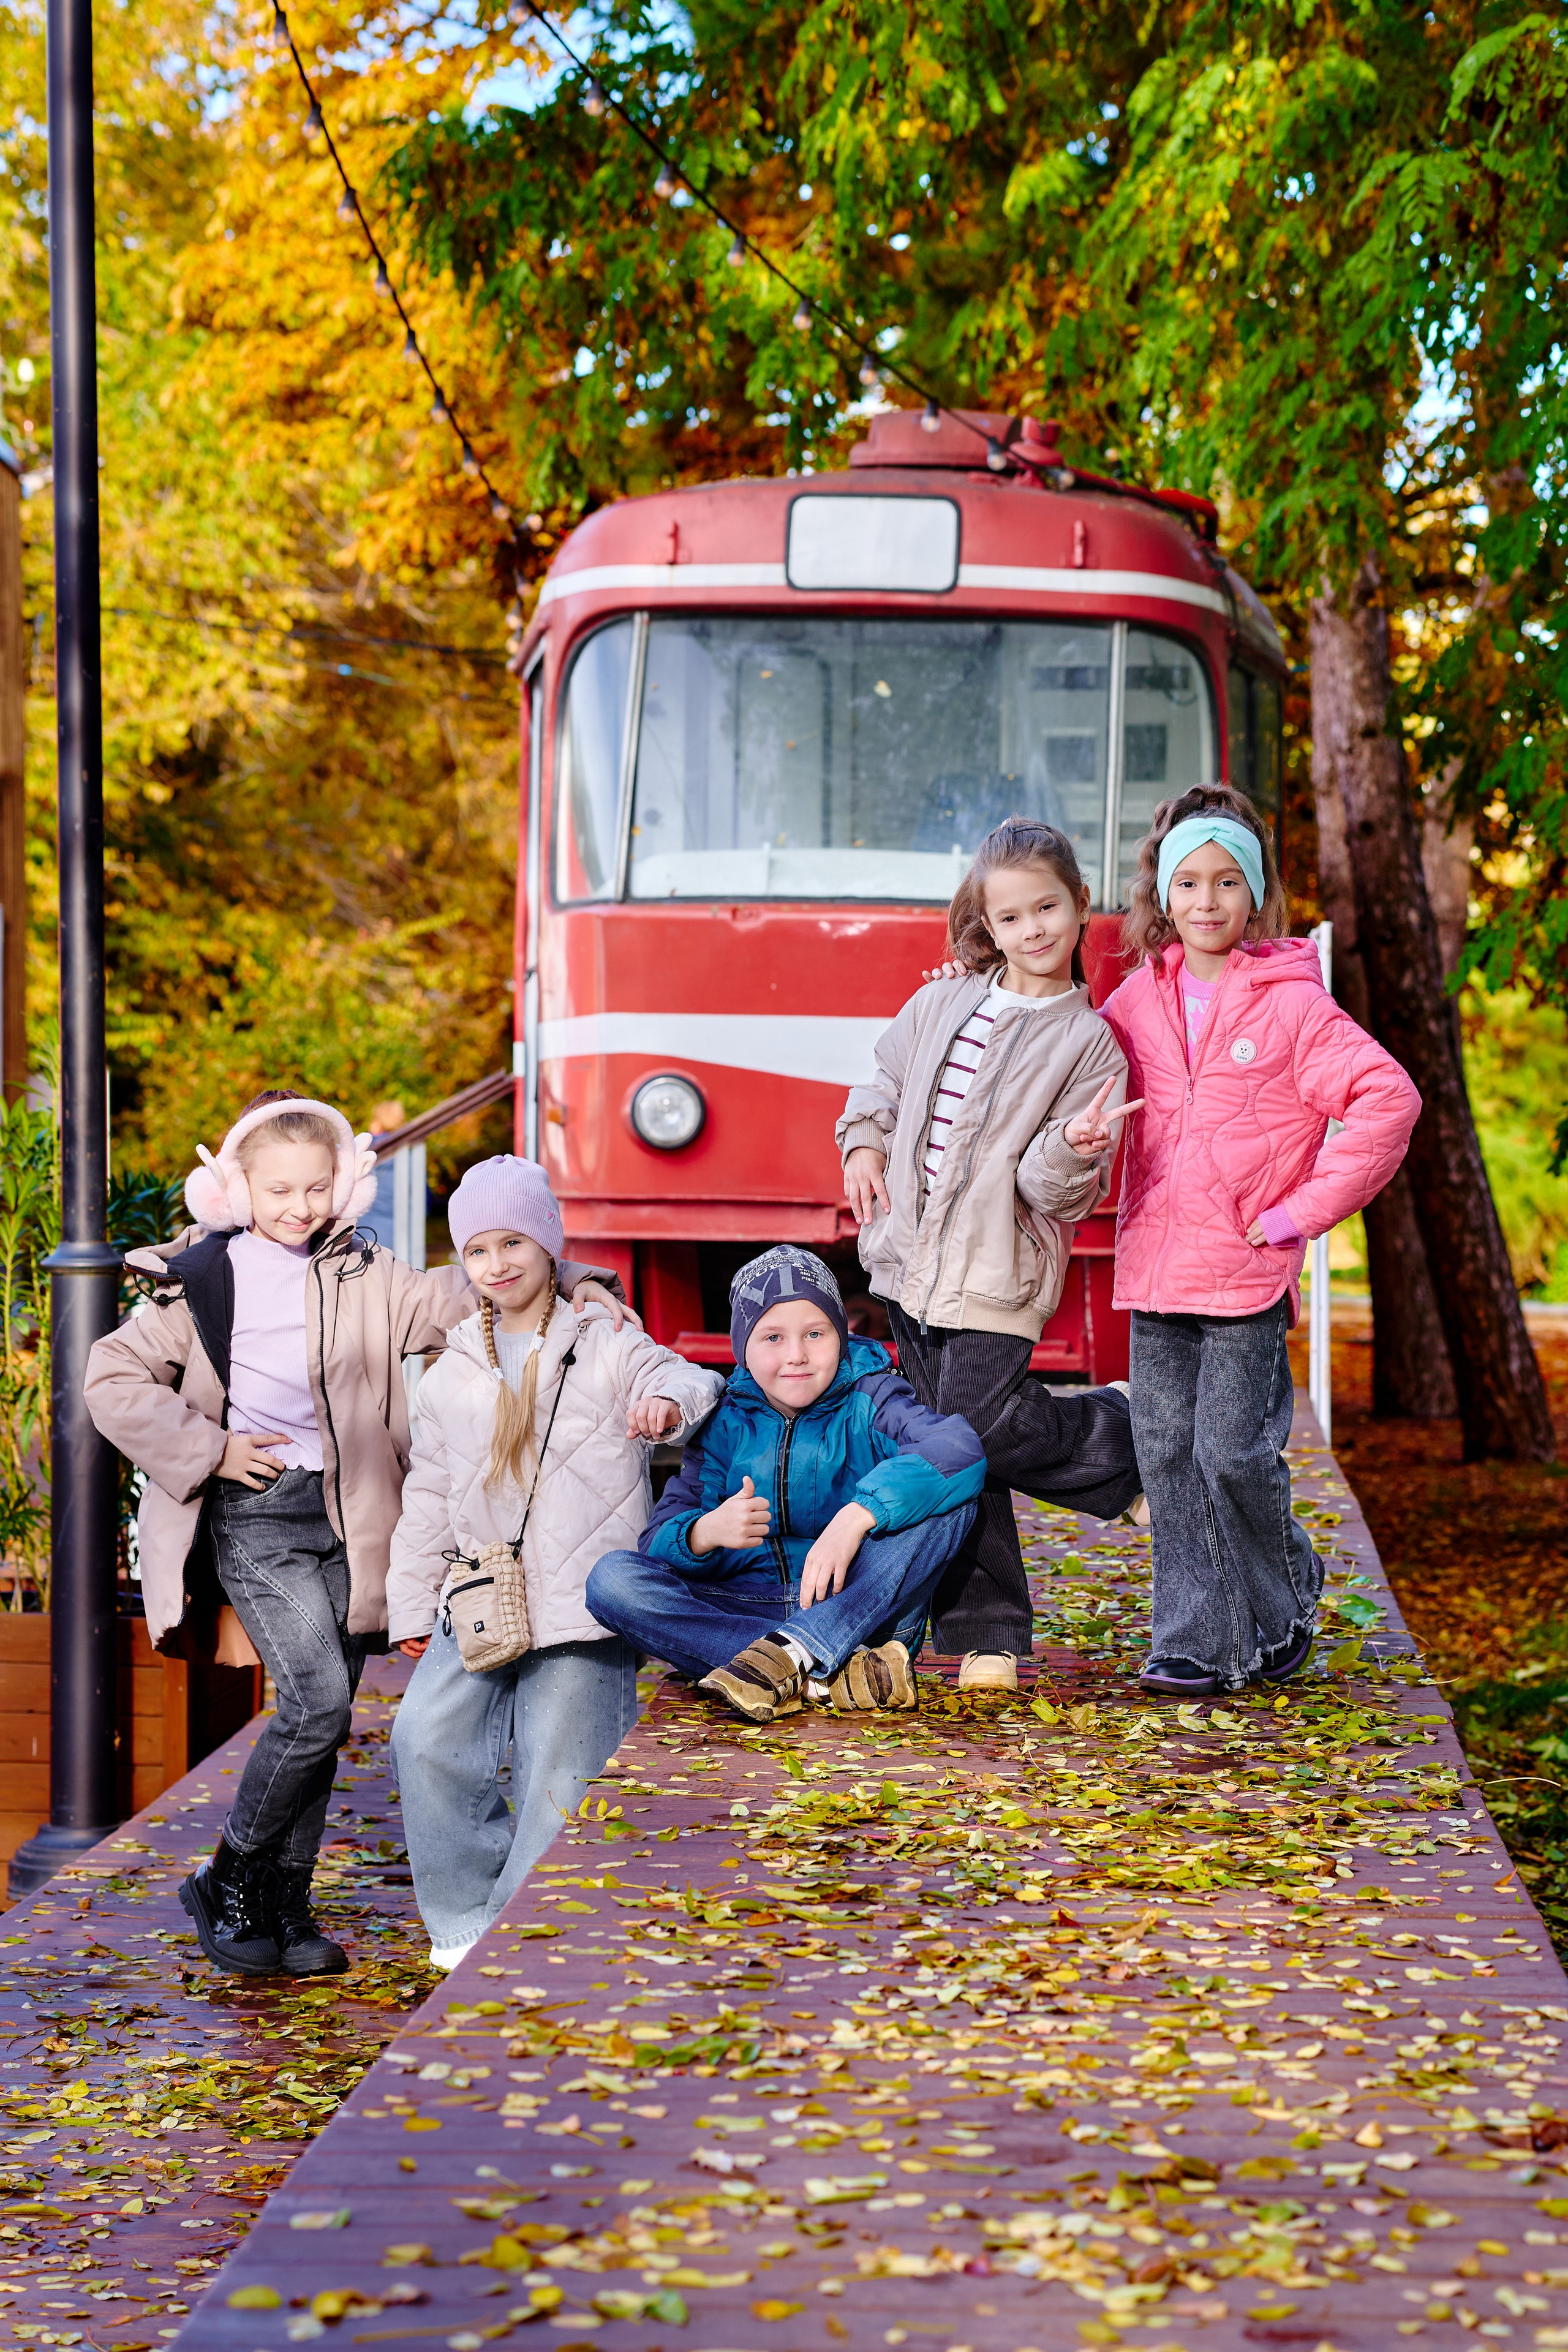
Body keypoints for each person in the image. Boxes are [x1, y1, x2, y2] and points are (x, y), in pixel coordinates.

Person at [83, 1093, 627, 1980]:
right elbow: (110, 1376)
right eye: (278, 1191)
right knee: (317, 1703)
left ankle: (284, 1904)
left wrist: (575, 1278)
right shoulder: (203, 1279)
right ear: (237, 1191)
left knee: (324, 1710)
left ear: (341, 1186)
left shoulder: (365, 1272)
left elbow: (467, 1284)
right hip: (259, 1512)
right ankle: (230, 1877)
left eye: (315, 1188)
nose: (298, 1207)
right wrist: (212, 1450)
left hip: (350, 1516)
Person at [1099, 786, 1421, 1697]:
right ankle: (1195, 1640)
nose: (1206, 901)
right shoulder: (1132, 1002)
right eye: (1188, 882)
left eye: (1227, 882)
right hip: (1158, 1268)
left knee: (1230, 1453)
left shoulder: (1292, 1006)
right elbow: (1071, 1076)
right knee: (1166, 1455)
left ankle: (1281, 1599)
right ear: (1163, 896)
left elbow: (1388, 1100)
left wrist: (1297, 1213)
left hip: (1245, 1272)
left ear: (1255, 896)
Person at [834, 816, 1145, 1697]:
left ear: (1081, 905)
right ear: (988, 925)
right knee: (950, 1446)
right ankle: (987, 1634)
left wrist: (1074, 1149)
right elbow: (882, 1081)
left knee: (973, 1429)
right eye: (1010, 917)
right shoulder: (942, 1003)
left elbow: (1056, 1194)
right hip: (909, 1261)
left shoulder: (1090, 1045)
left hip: (996, 1272)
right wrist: (862, 1142)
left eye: (1047, 908)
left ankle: (1115, 1434)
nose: (1032, 930)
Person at [386, 1157, 722, 1969]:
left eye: (513, 1242)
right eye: (478, 1250)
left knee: (561, 1772)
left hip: (580, 1601)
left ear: (547, 1244)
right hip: (481, 1595)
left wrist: (666, 1402)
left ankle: (524, 1932)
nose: (498, 1264)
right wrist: (410, 1601)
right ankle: (461, 1920)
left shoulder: (605, 1338)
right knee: (423, 1736)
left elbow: (686, 1376)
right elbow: (427, 1492)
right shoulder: (449, 1371)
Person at [585, 1246, 986, 1725]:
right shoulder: (726, 1422)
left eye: (815, 1334)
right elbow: (656, 1542)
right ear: (743, 1350)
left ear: (840, 1336)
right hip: (743, 1609)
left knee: (949, 1501)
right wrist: (705, 1533)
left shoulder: (872, 1397)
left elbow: (957, 1449)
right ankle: (823, 1674)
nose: (796, 1355)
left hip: (857, 1608)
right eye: (773, 1337)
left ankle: (791, 1657)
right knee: (611, 1580)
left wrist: (857, 1517)